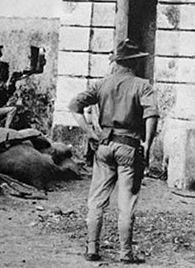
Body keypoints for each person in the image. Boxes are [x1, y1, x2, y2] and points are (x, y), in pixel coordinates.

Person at [68, 38, 159, 264]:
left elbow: (74, 106)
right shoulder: (142, 85)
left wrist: (89, 132)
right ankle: (125, 254)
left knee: (97, 199)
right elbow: (151, 116)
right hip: (129, 147)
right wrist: (147, 142)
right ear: (133, 64)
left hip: (104, 146)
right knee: (126, 202)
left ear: (117, 63)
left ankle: (92, 249)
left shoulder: (102, 84)